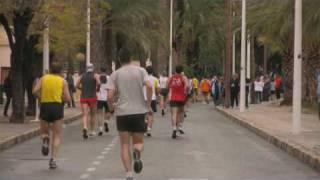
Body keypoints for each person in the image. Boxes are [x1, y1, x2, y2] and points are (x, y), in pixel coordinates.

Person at [106, 48, 152, 180]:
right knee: (138, 143)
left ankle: (129, 174)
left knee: (124, 145)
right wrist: (148, 104)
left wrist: (111, 109)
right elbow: (149, 86)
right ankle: (137, 153)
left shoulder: (115, 74)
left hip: (122, 113)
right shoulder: (141, 71)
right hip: (139, 111)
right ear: (131, 58)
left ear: (119, 60)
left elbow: (109, 95)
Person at [32, 61, 71, 169]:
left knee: (44, 132)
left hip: (45, 106)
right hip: (57, 107)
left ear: (50, 69)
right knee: (57, 135)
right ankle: (53, 160)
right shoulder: (63, 81)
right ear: (60, 71)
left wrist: (41, 98)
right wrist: (60, 96)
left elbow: (34, 91)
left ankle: (45, 139)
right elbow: (68, 98)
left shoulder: (44, 78)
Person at [76, 65, 100, 139]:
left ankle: (85, 127)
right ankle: (92, 131)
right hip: (92, 97)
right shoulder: (95, 75)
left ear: (86, 69)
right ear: (92, 69)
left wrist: (81, 88)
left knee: (85, 114)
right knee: (93, 114)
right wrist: (97, 89)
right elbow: (99, 83)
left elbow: (76, 85)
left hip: (84, 97)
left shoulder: (82, 76)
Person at [168, 65, 188, 139]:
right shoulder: (183, 77)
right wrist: (185, 91)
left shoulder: (172, 77)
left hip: (173, 97)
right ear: (182, 70)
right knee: (181, 113)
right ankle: (179, 126)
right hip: (181, 98)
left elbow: (167, 85)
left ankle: (174, 128)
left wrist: (172, 87)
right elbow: (187, 86)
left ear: (175, 70)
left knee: (174, 113)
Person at [144, 66, 159, 137]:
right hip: (152, 98)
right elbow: (158, 89)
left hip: (142, 98)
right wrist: (156, 94)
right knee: (151, 114)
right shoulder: (155, 79)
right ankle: (149, 129)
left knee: (143, 114)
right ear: (152, 72)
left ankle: (144, 127)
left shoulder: (142, 79)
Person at [97, 68, 111, 136]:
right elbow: (111, 87)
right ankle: (106, 121)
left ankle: (100, 129)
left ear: (100, 71)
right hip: (107, 97)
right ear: (106, 71)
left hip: (99, 98)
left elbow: (96, 87)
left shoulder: (98, 77)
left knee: (99, 114)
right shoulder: (109, 78)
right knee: (109, 111)